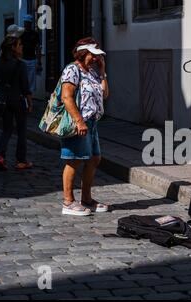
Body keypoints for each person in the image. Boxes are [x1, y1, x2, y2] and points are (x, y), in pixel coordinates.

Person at [60, 37, 110, 216]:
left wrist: (103, 71)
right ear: (82, 53)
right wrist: (79, 120)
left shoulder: (91, 72)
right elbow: (67, 97)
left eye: (97, 56)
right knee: (74, 159)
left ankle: (86, 199)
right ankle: (68, 202)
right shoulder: (72, 70)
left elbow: (105, 94)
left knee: (94, 159)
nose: (95, 58)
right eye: (92, 55)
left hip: (92, 123)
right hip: (79, 122)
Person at [0, 36, 33, 171]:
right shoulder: (20, 64)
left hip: (4, 100)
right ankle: (21, 160)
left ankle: (0, 156)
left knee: (6, 130)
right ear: (13, 48)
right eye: (19, 45)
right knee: (21, 131)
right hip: (18, 100)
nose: (21, 47)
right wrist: (30, 102)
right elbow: (25, 86)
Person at [20, 14, 41, 94]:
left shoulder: (34, 34)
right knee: (23, 79)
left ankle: (29, 99)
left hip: (32, 59)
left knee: (31, 81)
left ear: (30, 23)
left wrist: (39, 61)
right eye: (25, 22)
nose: (26, 24)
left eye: (28, 23)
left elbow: (38, 48)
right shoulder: (21, 33)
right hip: (23, 59)